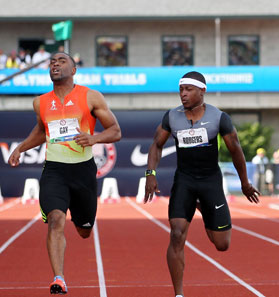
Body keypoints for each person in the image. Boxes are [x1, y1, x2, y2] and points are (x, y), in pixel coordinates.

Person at [8, 52, 121, 294]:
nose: (55, 64)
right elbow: (41, 131)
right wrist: (20, 147)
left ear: (73, 70)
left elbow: (115, 131)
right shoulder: (40, 102)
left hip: (83, 171)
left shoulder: (90, 96)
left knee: (84, 230)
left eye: (61, 61)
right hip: (55, 170)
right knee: (56, 220)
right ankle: (59, 278)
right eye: (52, 62)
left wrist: (93, 138)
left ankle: (82, 220)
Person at [144, 71, 260, 297]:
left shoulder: (219, 118)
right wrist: (150, 173)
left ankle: (204, 208)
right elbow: (156, 145)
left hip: (210, 181)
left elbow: (236, 151)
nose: (183, 94)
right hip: (185, 180)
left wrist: (245, 183)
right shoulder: (172, 117)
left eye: (188, 90)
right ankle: (178, 294)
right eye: (181, 90)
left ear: (202, 91)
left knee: (222, 244)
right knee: (177, 234)